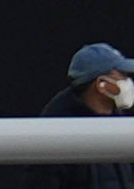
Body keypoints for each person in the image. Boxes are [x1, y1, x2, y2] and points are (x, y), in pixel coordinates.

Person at [38, 41, 134, 189]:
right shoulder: (56, 133)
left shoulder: (119, 124)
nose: (128, 82)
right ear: (101, 84)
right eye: (122, 75)